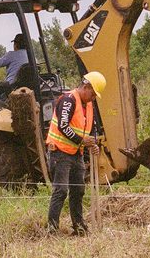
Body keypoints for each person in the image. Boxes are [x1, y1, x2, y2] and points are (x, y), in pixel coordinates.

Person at [45, 70, 107, 236]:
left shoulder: (88, 105)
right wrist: (82, 141)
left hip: (76, 153)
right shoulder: (68, 100)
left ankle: (79, 227)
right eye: (93, 94)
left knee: (78, 190)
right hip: (59, 152)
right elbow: (63, 126)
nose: (93, 98)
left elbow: (91, 129)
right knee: (61, 191)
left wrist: (92, 143)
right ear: (86, 87)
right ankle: (52, 230)